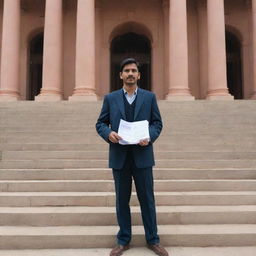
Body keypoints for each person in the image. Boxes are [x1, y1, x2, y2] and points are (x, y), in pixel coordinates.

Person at [96, 58, 169, 256]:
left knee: (147, 199)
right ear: (120, 75)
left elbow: (157, 123)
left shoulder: (149, 97)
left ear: (139, 75)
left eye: (134, 70)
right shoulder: (110, 99)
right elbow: (100, 123)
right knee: (122, 200)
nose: (130, 73)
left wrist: (150, 136)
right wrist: (108, 133)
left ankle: (153, 240)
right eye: (126, 70)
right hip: (120, 156)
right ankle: (123, 240)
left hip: (143, 155)